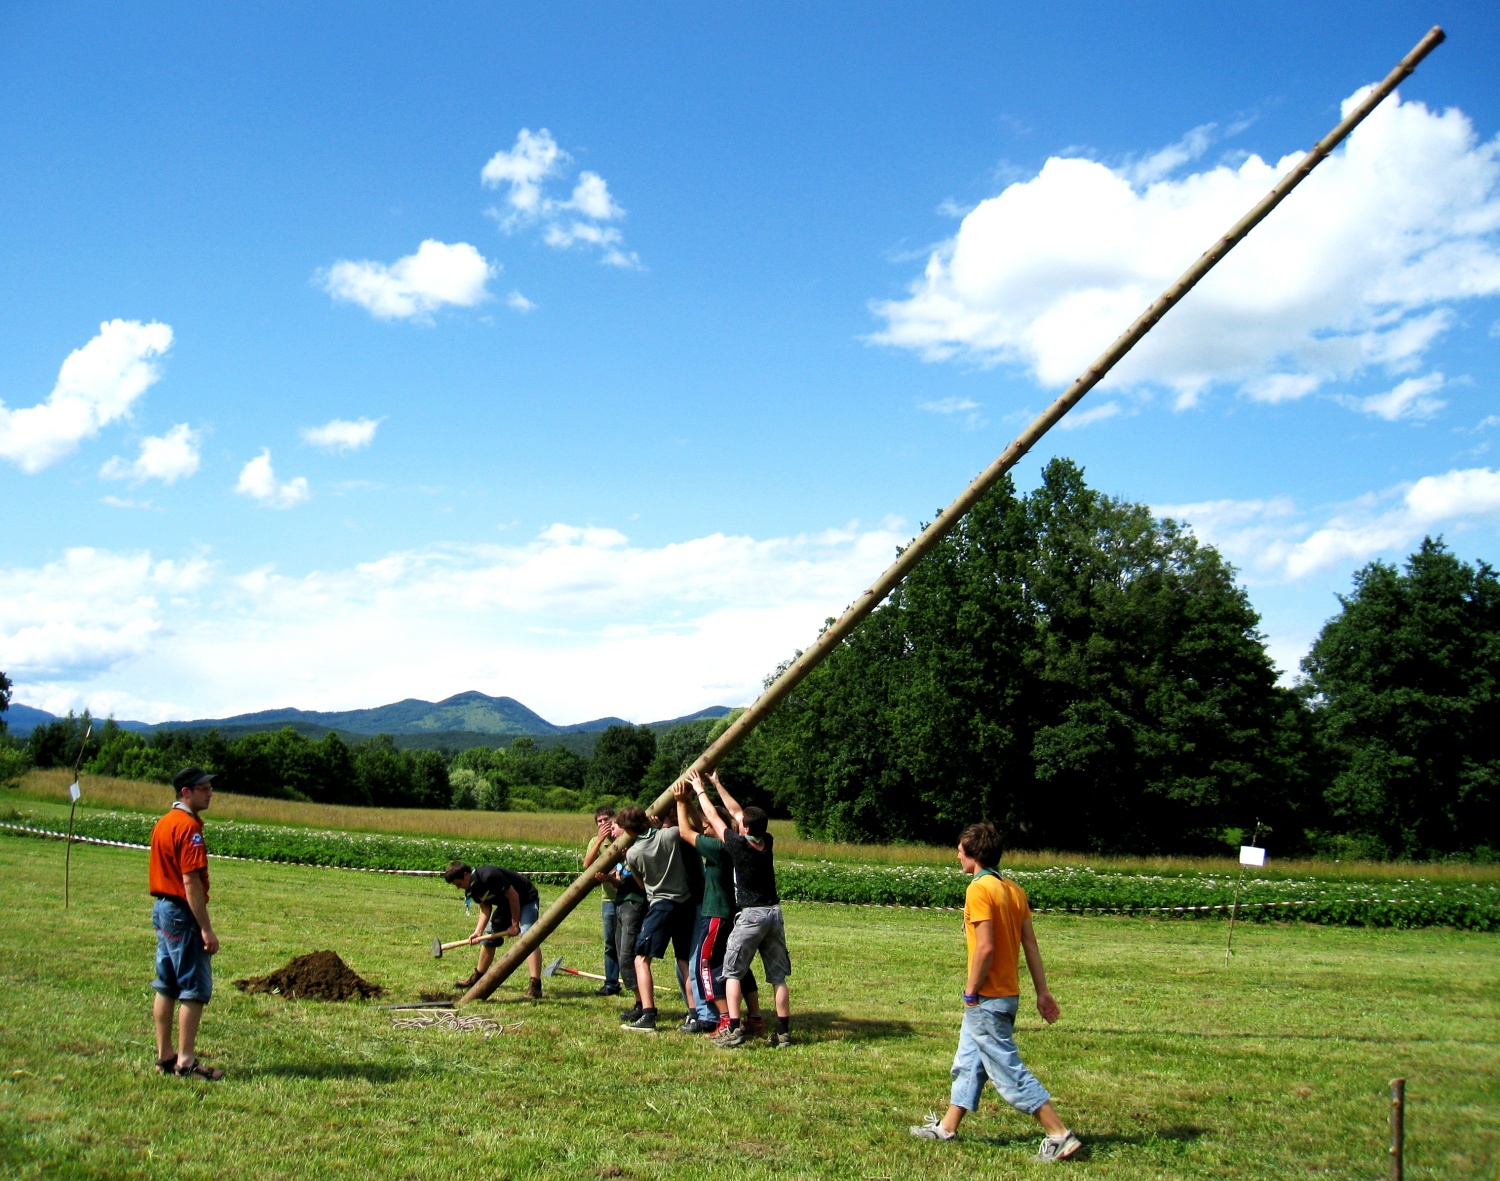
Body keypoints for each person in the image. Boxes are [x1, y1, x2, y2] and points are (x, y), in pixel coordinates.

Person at [908, 821, 1082, 1162]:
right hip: (1008, 995)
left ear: (975, 855)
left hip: (987, 998)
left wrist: (971, 991)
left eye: (960, 850)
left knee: (1005, 1068)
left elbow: (985, 948)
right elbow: (1030, 944)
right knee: (969, 1062)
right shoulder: (1013, 890)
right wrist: (1042, 992)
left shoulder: (979, 890)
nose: (957, 855)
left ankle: (1058, 1133)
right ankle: (947, 1127)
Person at [694, 770, 791, 1049]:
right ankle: (783, 1032)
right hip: (774, 913)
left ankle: (734, 1029)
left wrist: (700, 789)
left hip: (751, 915)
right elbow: (738, 813)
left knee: (731, 972)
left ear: (744, 830)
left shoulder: (737, 845)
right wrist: (717, 784)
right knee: (778, 977)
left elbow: (714, 817)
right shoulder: (767, 841)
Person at [149, 765, 223, 1080]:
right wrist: (205, 928)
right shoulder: (188, 828)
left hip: (163, 908)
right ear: (186, 792)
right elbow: (190, 882)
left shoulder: (163, 823)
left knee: (166, 983)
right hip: (182, 911)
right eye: (204, 788)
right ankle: (186, 1062)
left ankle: (165, 1056)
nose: (210, 792)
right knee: (193, 987)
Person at [675, 776, 762, 1038]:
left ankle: (724, 1019)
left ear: (716, 825)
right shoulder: (735, 842)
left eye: (707, 824)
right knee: (738, 966)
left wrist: (680, 802)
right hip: (733, 914)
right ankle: (755, 1018)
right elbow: (702, 822)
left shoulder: (716, 847)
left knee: (706, 966)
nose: (703, 826)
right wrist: (691, 802)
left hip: (716, 915)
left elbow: (685, 832)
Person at [614, 804, 696, 1032]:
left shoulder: (633, 853)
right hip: (685, 904)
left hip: (660, 905)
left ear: (626, 829)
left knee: (641, 959)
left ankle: (648, 1014)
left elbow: (641, 884)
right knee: (683, 960)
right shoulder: (670, 834)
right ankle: (694, 1013)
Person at [443, 861, 544, 998]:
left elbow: (514, 896)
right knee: (489, 937)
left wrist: (515, 925)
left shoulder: (489, 875)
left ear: (466, 875)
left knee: (528, 937)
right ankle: (477, 978)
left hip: (526, 899)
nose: (458, 888)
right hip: (506, 904)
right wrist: (478, 931)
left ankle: (535, 987)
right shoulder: (472, 888)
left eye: (458, 884)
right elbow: (485, 907)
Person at [583, 806, 622, 996]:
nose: (603, 823)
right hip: (608, 899)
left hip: (627, 898)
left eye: (606, 819)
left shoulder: (624, 838)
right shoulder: (595, 841)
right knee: (610, 943)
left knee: (627, 944)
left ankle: (633, 981)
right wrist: (599, 840)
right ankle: (611, 983)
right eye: (599, 821)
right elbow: (587, 864)